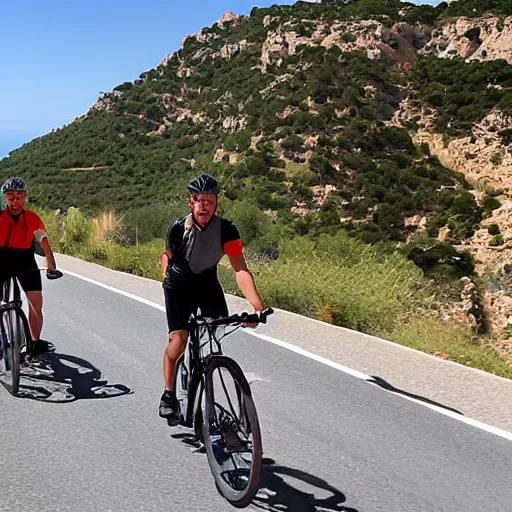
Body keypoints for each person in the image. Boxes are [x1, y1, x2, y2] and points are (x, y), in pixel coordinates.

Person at [159, 173, 264, 419]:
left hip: (207, 283)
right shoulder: (178, 228)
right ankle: (169, 394)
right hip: (178, 285)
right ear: (190, 202)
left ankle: (204, 368)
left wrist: (257, 307)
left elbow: (240, 270)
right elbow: (167, 256)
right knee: (179, 338)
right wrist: (165, 276)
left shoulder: (227, 230)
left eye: (208, 200)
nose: (202, 206)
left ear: (216, 202)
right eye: (197, 200)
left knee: (217, 328)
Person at [0, 177, 59, 355]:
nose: (15, 200)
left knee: (36, 305)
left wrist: (51, 264)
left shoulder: (32, 218)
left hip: (25, 259)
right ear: (5, 197)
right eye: (11, 196)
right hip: (2, 259)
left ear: (25, 197)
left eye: (19, 196)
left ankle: (34, 343)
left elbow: (43, 240)